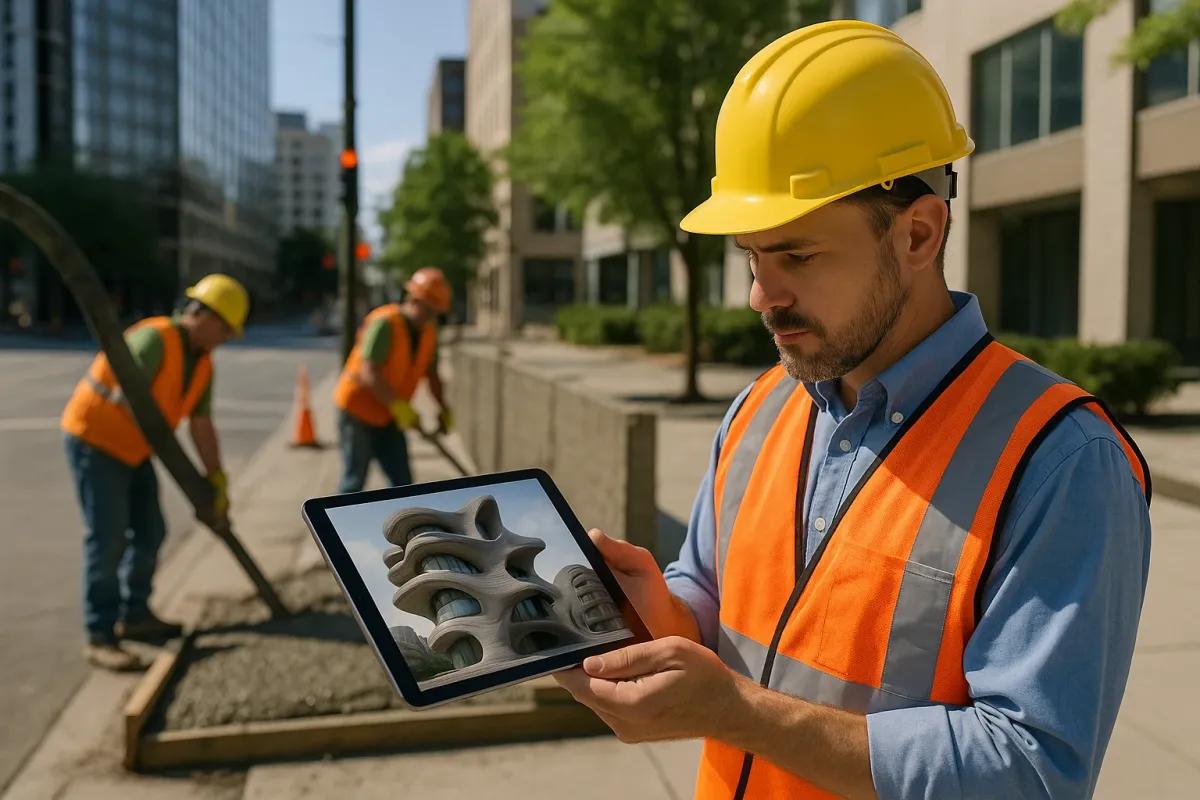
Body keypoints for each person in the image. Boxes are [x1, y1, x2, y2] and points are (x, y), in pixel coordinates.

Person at [554, 20, 1153, 800]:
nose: (761, 298)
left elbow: (1030, 770)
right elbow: (710, 598)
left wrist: (741, 715)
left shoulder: (1062, 460)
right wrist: (657, 615)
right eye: (752, 259)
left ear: (918, 231)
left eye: (797, 255)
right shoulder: (761, 407)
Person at [61, 274, 248, 672]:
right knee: (108, 539)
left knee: (150, 531)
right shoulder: (154, 338)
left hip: (135, 449)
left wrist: (216, 477)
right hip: (96, 441)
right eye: (224, 328)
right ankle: (101, 635)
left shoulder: (203, 364)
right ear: (201, 313)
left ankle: (136, 615)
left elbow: (201, 424)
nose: (226, 338)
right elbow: (133, 401)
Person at [333, 266, 455, 494]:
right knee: (353, 481)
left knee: (403, 483)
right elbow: (369, 373)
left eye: (434, 312)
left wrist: (443, 409)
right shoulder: (384, 323)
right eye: (427, 309)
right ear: (413, 299)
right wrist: (400, 407)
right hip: (358, 410)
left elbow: (433, 375)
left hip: (389, 414)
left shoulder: (429, 333)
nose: (430, 316)